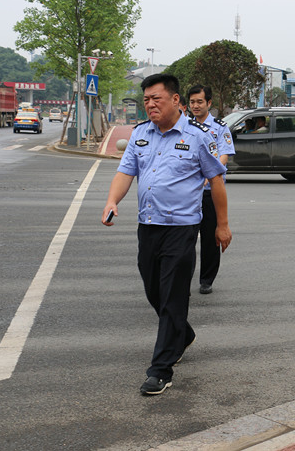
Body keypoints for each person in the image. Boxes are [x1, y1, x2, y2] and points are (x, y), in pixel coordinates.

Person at [102, 73, 232, 396]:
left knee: (173, 295)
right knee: (153, 290)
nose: (150, 105)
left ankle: (161, 369)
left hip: (181, 228)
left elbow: (216, 180)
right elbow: (125, 172)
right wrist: (112, 200)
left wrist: (222, 224)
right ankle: (182, 334)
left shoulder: (199, 136)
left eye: (156, 99)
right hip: (148, 226)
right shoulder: (141, 134)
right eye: (146, 100)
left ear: (176, 100)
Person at [187, 85, 235, 294]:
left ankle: (206, 279)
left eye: (199, 102)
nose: (195, 106)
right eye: (192, 102)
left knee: (210, 238)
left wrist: (211, 174)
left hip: (210, 193)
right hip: (188, 193)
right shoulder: (184, 126)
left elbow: (224, 154)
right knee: (184, 239)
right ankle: (182, 278)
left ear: (209, 103)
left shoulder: (220, 127)